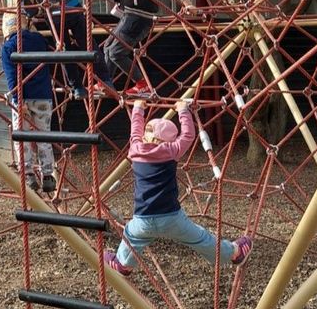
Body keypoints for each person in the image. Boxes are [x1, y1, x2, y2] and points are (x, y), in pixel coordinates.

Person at [104, 99, 253, 275]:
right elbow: (188, 135)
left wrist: (138, 108)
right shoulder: (171, 151)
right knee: (200, 238)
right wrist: (183, 110)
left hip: (142, 219)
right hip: (171, 218)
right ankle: (234, 254)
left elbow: (135, 131)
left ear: (148, 136)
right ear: (166, 140)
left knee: (131, 236)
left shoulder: (135, 150)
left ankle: (124, 263)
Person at [0, 11, 56, 194]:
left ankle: (29, 174)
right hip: (43, 96)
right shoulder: (39, 40)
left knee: (21, 136)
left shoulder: (8, 46)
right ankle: (48, 174)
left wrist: (18, 101)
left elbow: (11, 78)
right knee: (44, 135)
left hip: (23, 98)